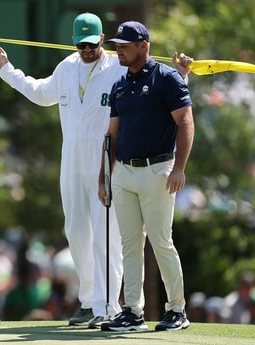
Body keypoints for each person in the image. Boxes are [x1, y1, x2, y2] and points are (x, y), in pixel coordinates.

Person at [0, 12, 188, 328]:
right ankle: (88, 302)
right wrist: (8, 72)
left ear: (100, 39)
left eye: (90, 44)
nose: (85, 50)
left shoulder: (117, 68)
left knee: (107, 235)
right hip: (71, 160)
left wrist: (181, 76)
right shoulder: (67, 67)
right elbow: (41, 93)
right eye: (79, 44)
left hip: (106, 161)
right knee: (77, 232)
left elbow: (155, 94)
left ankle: (108, 305)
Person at [98, 21, 193, 332]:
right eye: (117, 45)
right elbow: (112, 134)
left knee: (161, 242)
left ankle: (177, 309)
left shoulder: (167, 79)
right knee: (129, 245)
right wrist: (104, 176)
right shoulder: (120, 86)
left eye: (125, 45)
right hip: (124, 172)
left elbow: (185, 122)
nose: (118, 50)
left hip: (158, 171)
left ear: (144, 45)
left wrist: (179, 167)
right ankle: (132, 312)